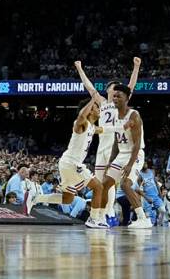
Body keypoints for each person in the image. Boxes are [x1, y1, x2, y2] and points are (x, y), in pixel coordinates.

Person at [74, 57, 141, 227]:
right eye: (114, 88)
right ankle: (98, 216)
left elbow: (131, 86)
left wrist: (136, 67)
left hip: (116, 146)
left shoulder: (122, 104)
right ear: (109, 90)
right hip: (102, 146)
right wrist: (79, 68)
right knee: (99, 184)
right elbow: (89, 87)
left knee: (109, 183)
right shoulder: (102, 102)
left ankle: (108, 213)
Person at [27, 95, 109, 228]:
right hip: (72, 163)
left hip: (68, 163)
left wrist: (124, 127)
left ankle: (36, 198)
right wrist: (93, 99)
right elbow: (82, 115)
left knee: (67, 199)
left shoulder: (92, 127)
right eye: (96, 107)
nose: (99, 109)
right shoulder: (81, 123)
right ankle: (93, 219)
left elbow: (105, 130)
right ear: (89, 110)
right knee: (98, 187)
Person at [102, 84, 151, 228]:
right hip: (121, 154)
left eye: (118, 96)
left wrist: (130, 164)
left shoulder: (134, 115)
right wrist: (110, 161)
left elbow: (136, 143)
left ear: (127, 98)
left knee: (125, 185)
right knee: (105, 184)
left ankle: (143, 218)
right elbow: (116, 143)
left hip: (135, 154)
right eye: (114, 96)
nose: (115, 98)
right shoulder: (115, 116)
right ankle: (103, 216)